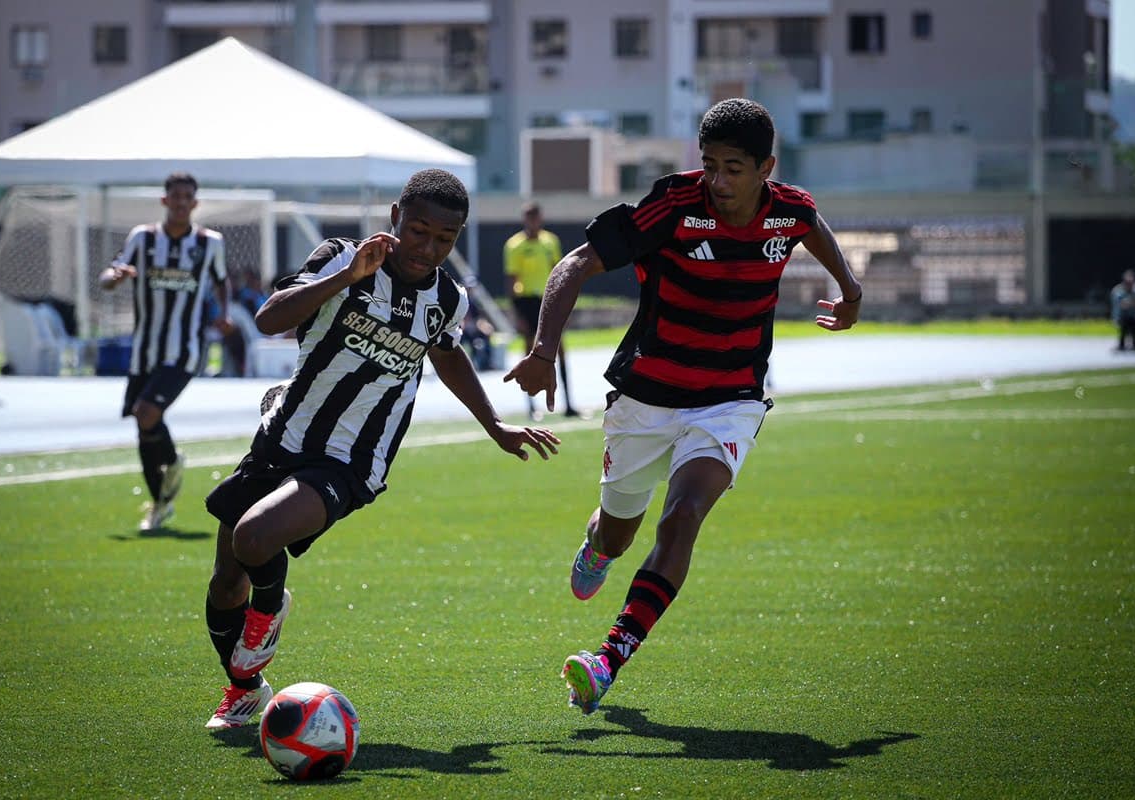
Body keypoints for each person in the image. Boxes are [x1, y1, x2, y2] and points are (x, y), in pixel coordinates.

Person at [504, 98, 863, 715]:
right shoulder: (671, 206)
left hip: (729, 400)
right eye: (709, 164)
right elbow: (575, 263)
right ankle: (598, 542)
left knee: (685, 513)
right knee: (618, 535)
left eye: (734, 168)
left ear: (766, 168)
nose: (718, 181)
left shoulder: (789, 211)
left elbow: (812, 224)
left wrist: (850, 289)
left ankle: (607, 658)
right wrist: (542, 351)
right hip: (647, 397)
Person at [200, 169, 561, 729]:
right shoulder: (340, 257)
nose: (428, 248)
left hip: (352, 458)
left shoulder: (448, 297)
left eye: (445, 239)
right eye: (418, 231)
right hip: (283, 437)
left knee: (254, 537)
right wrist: (346, 276)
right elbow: (270, 318)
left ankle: (269, 610)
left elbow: (445, 353)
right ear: (395, 216)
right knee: (227, 581)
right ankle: (245, 688)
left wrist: (495, 425)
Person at [99, 172, 233, 531]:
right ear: (164, 201)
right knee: (143, 428)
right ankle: (160, 503)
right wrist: (115, 278)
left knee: (146, 412)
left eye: (187, 196)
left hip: (184, 351)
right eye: (174, 196)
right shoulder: (142, 238)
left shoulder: (210, 244)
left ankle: (172, 461)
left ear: (195, 203)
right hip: (144, 350)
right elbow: (109, 274)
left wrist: (224, 315)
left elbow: (223, 282)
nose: (180, 202)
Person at [504, 202, 581, 420]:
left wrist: (563, 307)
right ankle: (531, 406)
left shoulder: (550, 242)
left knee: (560, 348)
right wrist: (517, 314)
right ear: (524, 220)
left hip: (548, 302)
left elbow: (559, 274)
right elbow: (511, 280)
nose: (533, 223)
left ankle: (568, 404)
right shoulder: (514, 245)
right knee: (530, 351)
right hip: (526, 301)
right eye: (529, 218)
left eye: (536, 218)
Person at [1110, 269, 1135, 351]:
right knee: (1124, 326)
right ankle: (1121, 344)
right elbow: (1118, 306)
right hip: (1123, 317)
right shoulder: (1118, 290)